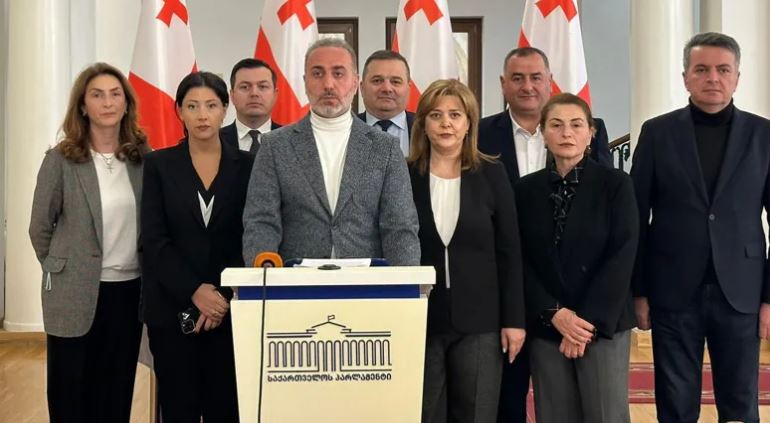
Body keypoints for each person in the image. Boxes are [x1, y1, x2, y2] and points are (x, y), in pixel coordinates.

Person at [632, 32, 770, 423]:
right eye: (702, 69)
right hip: (672, 289)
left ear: (737, 77)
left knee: (740, 404)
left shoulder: (764, 135)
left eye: (723, 69)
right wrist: (639, 291)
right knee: (675, 404)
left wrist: (769, 298)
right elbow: (636, 217)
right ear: (685, 77)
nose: (713, 78)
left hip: (742, 291)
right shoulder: (657, 133)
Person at [477, 46, 612, 423]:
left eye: (536, 77)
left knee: (580, 405)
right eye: (517, 78)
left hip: (575, 299)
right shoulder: (479, 134)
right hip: (506, 290)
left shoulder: (587, 131)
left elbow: (602, 211)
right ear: (503, 84)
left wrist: (573, 312)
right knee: (507, 398)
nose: (527, 86)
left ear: (550, 81)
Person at [29, 62, 148, 423]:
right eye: (97, 95)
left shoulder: (143, 158)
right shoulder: (61, 159)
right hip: (73, 290)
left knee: (116, 389)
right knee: (69, 390)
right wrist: (62, 267)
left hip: (128, 291)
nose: (107, 103)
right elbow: (39, 227)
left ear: (126, 103)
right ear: (83, 105)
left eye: (115, 95)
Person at [242, 38, 420, 265]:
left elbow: (400, 228)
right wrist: (264, 273)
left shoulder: (385, 148)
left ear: (355, 83)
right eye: (318, 74)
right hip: (295, 283)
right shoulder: (274, 146)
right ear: (305, 82)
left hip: (367, 283)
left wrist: (405, 281)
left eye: (338, 73)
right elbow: (261, 222)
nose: (328, 84)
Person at [515, 93, 638, 423]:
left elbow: (622, 255)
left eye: (576, 125)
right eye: (556, 125)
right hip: (548, 324)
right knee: (554, 415)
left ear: (590, 134)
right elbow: (519, 259)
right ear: (543, 132)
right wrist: (554, 313)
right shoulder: (524, 190)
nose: (566, 133)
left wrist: (583, 325)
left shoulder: (617, 185)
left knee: (606, 415)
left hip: (601, 324)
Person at [409, 79, 525, 423]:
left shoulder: (492, 173)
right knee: (424, 413)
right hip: (421, 319)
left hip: (481, 321)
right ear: (423, 124)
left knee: (477, 414)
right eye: (436, 115)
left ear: (469, 123)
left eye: (455, 115)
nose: (446, 123)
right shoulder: (404, 174)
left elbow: (509, 251)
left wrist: (514, 321)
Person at [141, 71, 254, 422]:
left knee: (227, 409)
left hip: (230, 311)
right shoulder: (158, 165)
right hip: (172, 311)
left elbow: (251, 235)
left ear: (225, 109)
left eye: (211, 105)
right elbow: (154, 240)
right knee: (179, 410)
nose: (202, 115)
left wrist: (220, 296)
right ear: (178, 111)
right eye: (192, 106)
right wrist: (193, 290)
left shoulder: (249, 166)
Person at [358, 49, 414, 156]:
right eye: (377, 81)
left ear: (408, 88)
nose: (387, 89)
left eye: (395, 81)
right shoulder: (345, 130)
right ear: (362, 88)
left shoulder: (426, 129)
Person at [220, 58, 280, 154]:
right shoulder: (214, 140)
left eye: (262, 86)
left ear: (275, 95)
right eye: (245, 87)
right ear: (232, 95)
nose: (254, 93)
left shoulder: (293, 140)